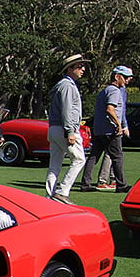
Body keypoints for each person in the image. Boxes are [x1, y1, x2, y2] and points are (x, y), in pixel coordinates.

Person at [80, 65, 133, 193]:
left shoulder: (104, 90)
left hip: (99, 130)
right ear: (117, 76)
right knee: (117, 157)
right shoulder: (114, 91)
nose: (127, 80)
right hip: (111, 131)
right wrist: (119, 125)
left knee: (93, 156)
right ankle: (121, 185)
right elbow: (110, 109)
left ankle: (85, 184)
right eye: (125, 77)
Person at [45, 54, 87, 203]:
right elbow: (67, 110)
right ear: (70, 69)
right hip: (64, 129)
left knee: (55, 164)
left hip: (54, 128)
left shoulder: (63, 85)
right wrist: (70, 131)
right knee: (79, 159)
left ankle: (50, 197)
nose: (82, 69)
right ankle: (62, 191)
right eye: (79, 66)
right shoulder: (67, 86)